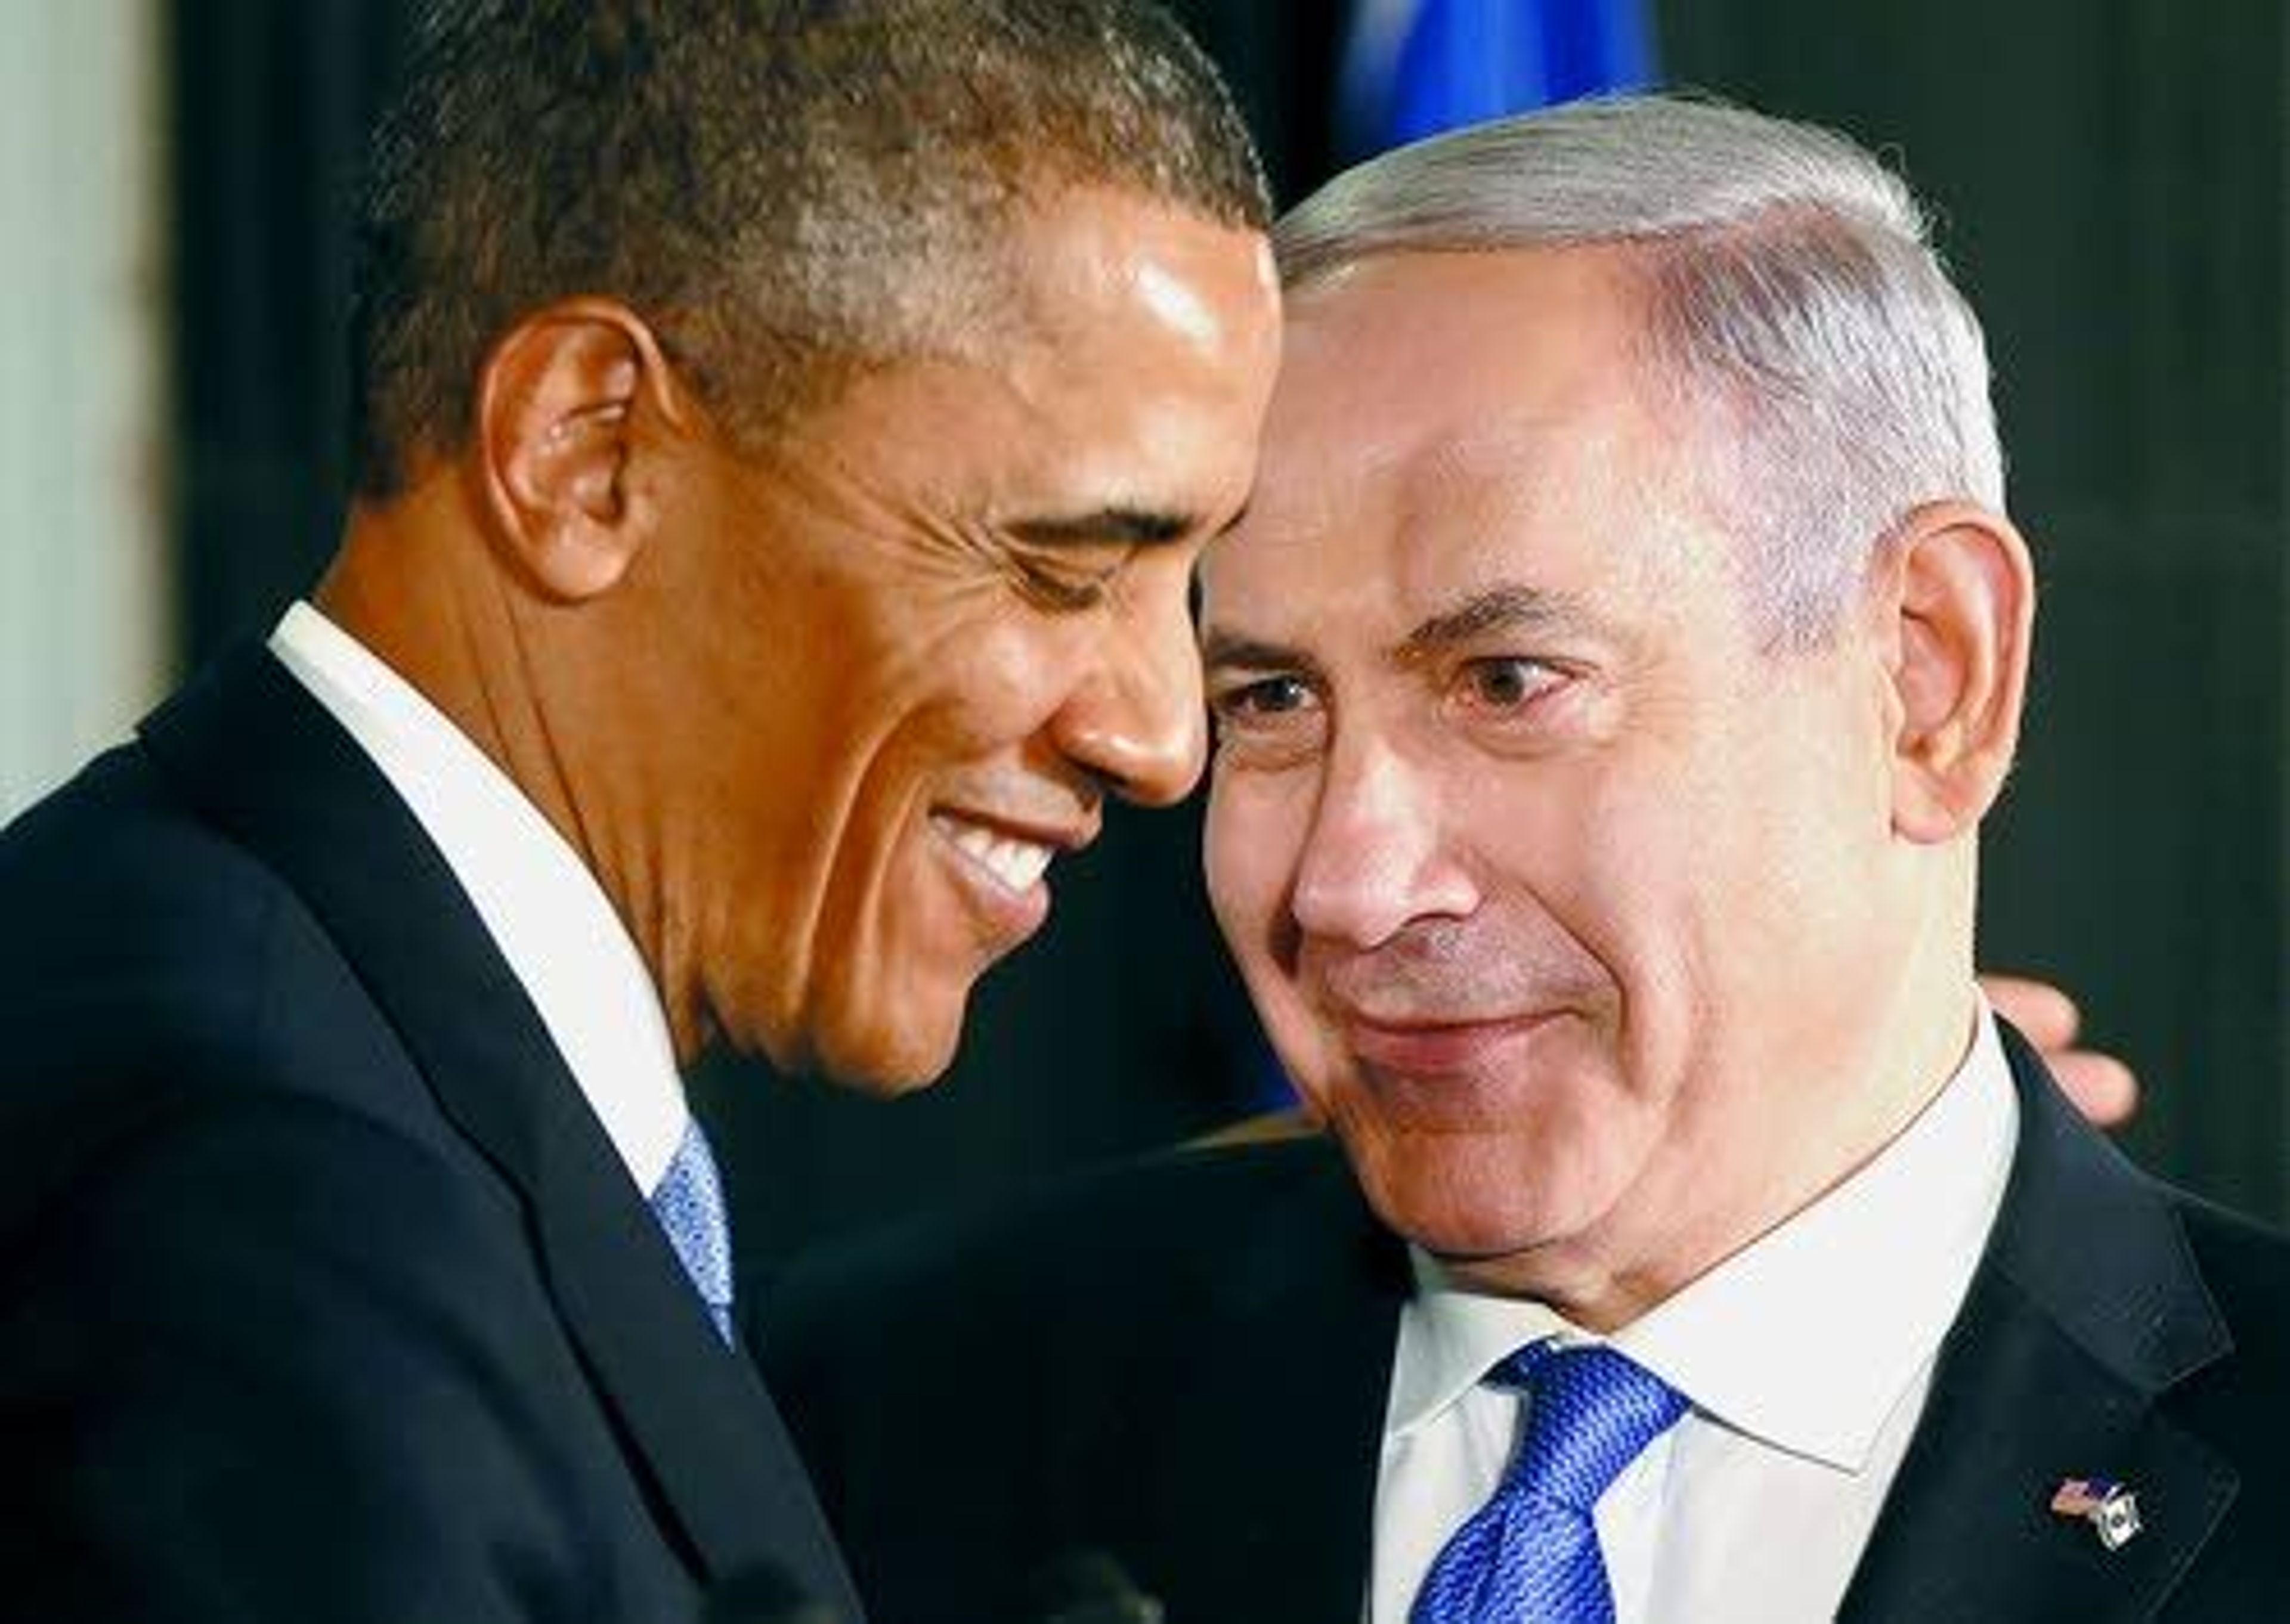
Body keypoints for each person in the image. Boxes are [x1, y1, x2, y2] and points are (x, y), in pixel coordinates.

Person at [765, 96, 2288, 1622]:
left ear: (1927, 676)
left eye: (1507, 682)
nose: (1347, 885)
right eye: (1274, 701)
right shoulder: (872, 1429)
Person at [0, 3, 1277, 1620]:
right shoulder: (252, 1188)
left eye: (1193, 580)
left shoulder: (326, 1050)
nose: (1166, 735)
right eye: (1066, 566)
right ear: (588, 454)